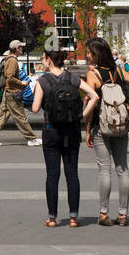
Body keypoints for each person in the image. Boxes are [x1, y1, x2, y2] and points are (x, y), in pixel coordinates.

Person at [32, 50, 98, 227]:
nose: (42, 61)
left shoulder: (42, 81)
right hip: (72, 132)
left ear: (49, 60)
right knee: (72, 174)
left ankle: (52, 218)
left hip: (51, 132)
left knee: (52, 175)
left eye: (43, 58)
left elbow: (35, 108)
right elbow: (94, 96)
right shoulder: (73, 78)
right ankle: (74, 217)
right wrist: (81, 116)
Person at [85, 35, 129, 226]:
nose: (87, 55)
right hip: (121, 125)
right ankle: (123, 215)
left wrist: (87, 129)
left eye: (89, 52)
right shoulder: (119, 70)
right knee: (123, 169)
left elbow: (91, 103)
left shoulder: (94, 75)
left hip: (101, 126)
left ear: (96, 54)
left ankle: (103, 214)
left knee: (104, 170)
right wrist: (127, 107)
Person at [0, 40, 39, 146]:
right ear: (17, 49)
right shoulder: (13, 60)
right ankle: (31, 139)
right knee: (20, 116)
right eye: (21, 47)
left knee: (1, 114)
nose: (22, 49)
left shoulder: (8, 58)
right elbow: (10, 77)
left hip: (8, 91)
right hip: (13, 92)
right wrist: (21, 83)